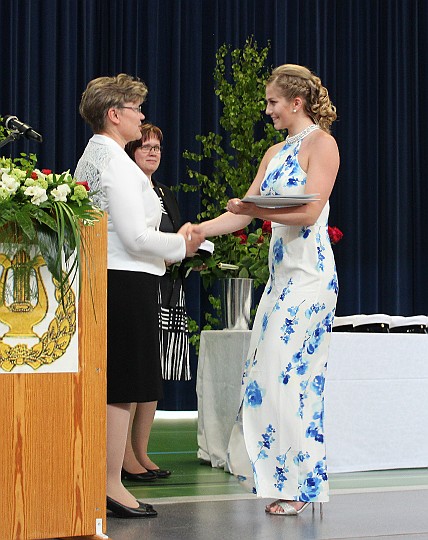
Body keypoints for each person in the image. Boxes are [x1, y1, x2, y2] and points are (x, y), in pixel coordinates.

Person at [198, 64, 339, 516]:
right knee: (264, 375)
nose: (267, 110)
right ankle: (283, 476)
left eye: (272, 102)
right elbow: (242, 211)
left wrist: (256, 211)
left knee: (290, 375)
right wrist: (198, 231)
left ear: (296, 103)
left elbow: (310, 213)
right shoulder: (275, 151)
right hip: (281, 280)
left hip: (310, 277)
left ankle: (302, 484)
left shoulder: (323, 145)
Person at [74, 74, 204, 518]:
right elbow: (135, 238)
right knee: (124, 385)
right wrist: (183, 244)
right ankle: (111, 484)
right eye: (135, 109)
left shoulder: (95, 155)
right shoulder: (116, 164)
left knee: (117, 383)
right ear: (114, 115)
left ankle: (104, 479)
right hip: (126, 281)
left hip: (109, 278)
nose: (141, 115)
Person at [120, 123, 191, 483]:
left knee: (153, 372)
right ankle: (124, 457)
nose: (153, 153)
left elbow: (174, 234)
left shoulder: (163, 191)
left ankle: (141, 451)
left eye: (157, 148)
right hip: (138, 284)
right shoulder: (127, 186)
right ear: (131, 151)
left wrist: (188, 251)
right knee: (135, 371)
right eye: (145, 146)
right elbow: (134, 237)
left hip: (167, 287)